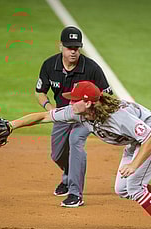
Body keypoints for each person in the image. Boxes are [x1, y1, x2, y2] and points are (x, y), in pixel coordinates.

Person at [9, 81, 151, 229]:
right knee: (123, 189)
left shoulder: (116, 117)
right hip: (135, 141)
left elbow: (150, 138)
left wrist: (135, 165)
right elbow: (43, 117)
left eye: (75, 100)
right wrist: (11, 125)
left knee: (135, 187)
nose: (71, 104)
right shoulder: (79, 113)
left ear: (88, 103)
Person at [35, 26, 112, 208]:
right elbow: (39, 92)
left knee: (75, 141)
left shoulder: (91, 68)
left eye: (76, 48)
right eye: (69, 47)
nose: (73, 51)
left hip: (85, 117)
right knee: (56, 154)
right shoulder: (49, 65)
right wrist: (51, 110)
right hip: (63, 114)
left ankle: (75, 194)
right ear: (60, 46)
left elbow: (108, 95)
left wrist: (92, 110)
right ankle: (69, 174)